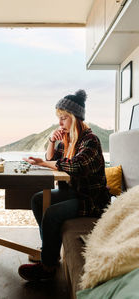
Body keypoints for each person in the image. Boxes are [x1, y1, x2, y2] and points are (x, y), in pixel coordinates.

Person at [18, 89, 111, 281]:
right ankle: (49, 251)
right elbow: (51, 157)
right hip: (74, 193)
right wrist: (52, 140)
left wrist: (43, 164)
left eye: (64, 117)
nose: (60, 123)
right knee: (37, 200)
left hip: (91, 200)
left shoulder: (90, 141)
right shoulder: (68, 141)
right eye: (59, 118)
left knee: (52, 214)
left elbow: (76, 166)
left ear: (76, 118)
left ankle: (48, 266)